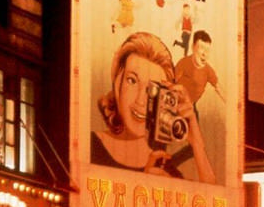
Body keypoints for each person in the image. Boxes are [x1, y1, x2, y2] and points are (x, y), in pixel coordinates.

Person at [90, 31, 215, 183]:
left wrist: (196, 141)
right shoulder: (90, 146)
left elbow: (213, 200)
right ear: (118, 83)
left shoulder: (163, 167)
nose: (141, 101)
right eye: (132, 81)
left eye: (152, 90)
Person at [173, 29, 222, 116]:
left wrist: (232, 105)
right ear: (193, 47)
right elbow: (171, 82)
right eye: (202, 48)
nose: (204, 54)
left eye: (207, 50)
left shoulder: (208, 71)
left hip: (191, 106)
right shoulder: (184, 63)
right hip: (176, 104)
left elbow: (219, 88)